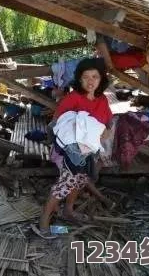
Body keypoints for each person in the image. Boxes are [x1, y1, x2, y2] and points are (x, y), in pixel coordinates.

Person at [35, 58, 114, 239]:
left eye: (95, 76)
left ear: (101, 79)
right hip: (69, 152)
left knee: (79, 181)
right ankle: (44, 222)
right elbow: (55, 124)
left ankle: (68, 211)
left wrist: (106, 133)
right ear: (79, 79)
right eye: (85, 77)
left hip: (88, 151)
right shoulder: (72, 98)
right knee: (65, 184)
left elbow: (108, 123)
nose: (90, 81)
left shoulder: (102, 100)